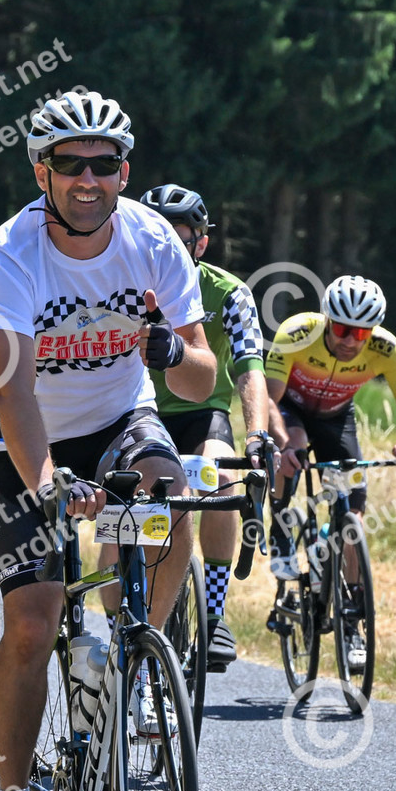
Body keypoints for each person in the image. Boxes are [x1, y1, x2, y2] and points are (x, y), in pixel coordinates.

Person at [0, 90, 215, 791]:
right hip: (24, 434)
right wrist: (47, 484)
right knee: (34, 622)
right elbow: (13, 391)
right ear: (41, 172)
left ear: (124, 172)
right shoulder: (10, 254)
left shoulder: (152, 239)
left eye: (103, 164)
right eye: (69, 163)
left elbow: (199, 376)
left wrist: (169, 349)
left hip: (117, 419)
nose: (87, 179)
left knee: (168, 494)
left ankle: (135, 656)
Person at [264, 275, 396, 672]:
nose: (352, 341)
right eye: (342, 330)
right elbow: (266, 399)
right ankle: (281, 528)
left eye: (362, 333)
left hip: (337, 420)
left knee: (353, 517)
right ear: (327, 320)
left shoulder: (386, 349)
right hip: (290, 411)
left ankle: (352, 623)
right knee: (295, 443)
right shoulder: (297, 332)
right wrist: (283, 445)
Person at [139, 184, 273, 671]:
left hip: (202, 414)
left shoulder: (229, 292)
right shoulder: (120, 285)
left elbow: (250, 368)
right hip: (139, 414)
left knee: (221, 477)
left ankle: (213, 614)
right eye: (157, 240)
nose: (168, 251)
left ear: (202, 242)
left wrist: (257, 435)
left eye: (179, 240)